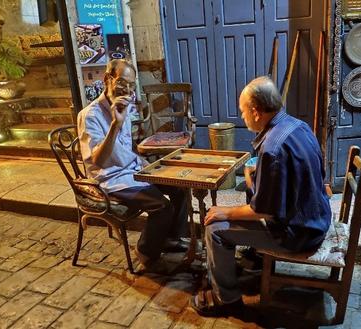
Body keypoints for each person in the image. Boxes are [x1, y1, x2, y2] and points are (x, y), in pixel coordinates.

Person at [190, 76, 331, 316]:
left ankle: (226, 300)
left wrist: (224, 211)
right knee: (249, 188)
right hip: (317, 218)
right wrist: (255, 178)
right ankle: (255, 259)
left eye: (243, 112)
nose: (242, 117)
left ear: (256, 112)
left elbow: (263, 210)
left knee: (215, 229)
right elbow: (317, 175)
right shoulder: (299, 125)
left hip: (298, 234)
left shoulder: (271, 148)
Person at [77, 59, 188, 274]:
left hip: (132, 170)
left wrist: (147, 165)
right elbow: (99, 161)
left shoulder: (124, 105)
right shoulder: (89, 115)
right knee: (161, 207)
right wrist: (115, 125)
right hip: (110, 178)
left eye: (131, 85)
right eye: (122, 83)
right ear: (107, 79)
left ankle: (170, 239)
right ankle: (146, 252)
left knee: (180, 187)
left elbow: (127, 147)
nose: (127, 90)